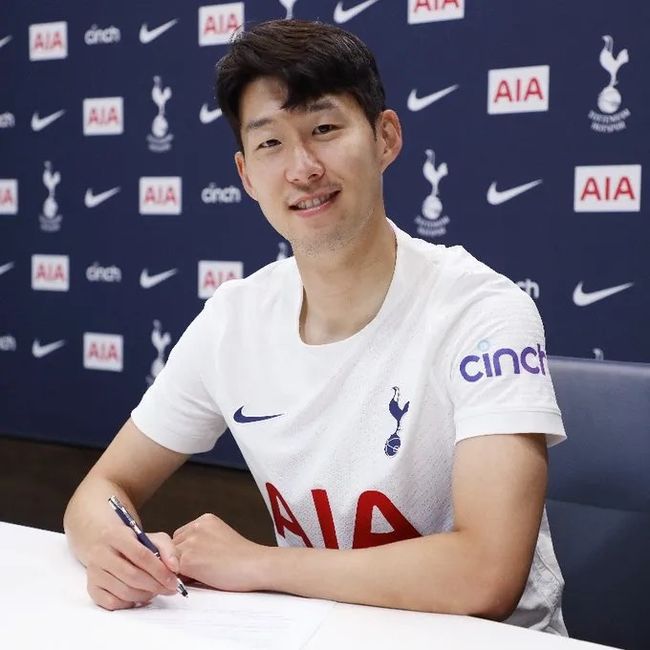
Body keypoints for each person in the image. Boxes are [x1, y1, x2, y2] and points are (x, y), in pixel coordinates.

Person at [64, 19, 567, 634]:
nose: (302, 168)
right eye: (270, 143)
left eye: (324, 130)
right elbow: (103, 487)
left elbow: (486, 575)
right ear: (246, 176)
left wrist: (260, 563)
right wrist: (111, 549)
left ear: (385, 137)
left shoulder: (483, 312)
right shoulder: (234, 319)